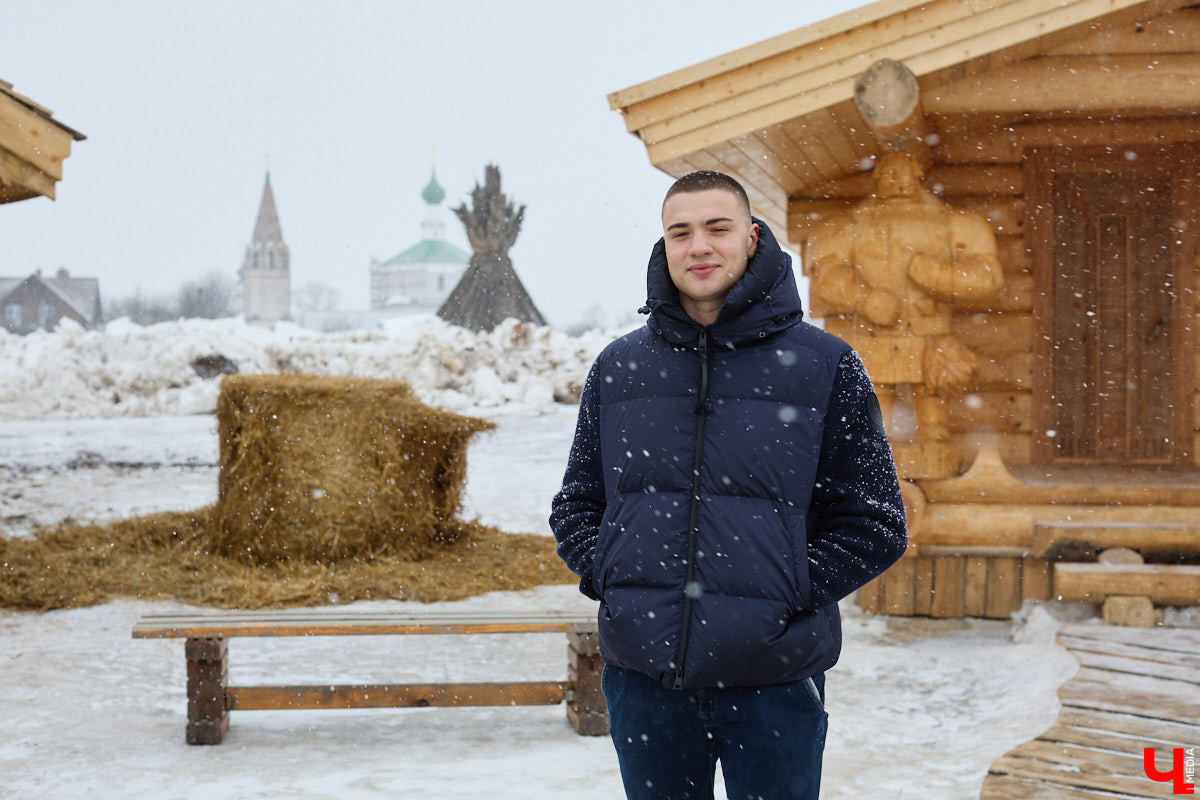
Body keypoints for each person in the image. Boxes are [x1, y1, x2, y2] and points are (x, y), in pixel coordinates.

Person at [550, 170, 908, 800]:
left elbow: (875, 521)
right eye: (680, 232)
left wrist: (788, 591)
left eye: (718, 228)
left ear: (752, 236)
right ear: (664, 246)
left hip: (774, 680)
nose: (699, 246)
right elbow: (578, 505)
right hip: (646, 682)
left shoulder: (825, 365)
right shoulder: (620, 367)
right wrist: (618, 581)